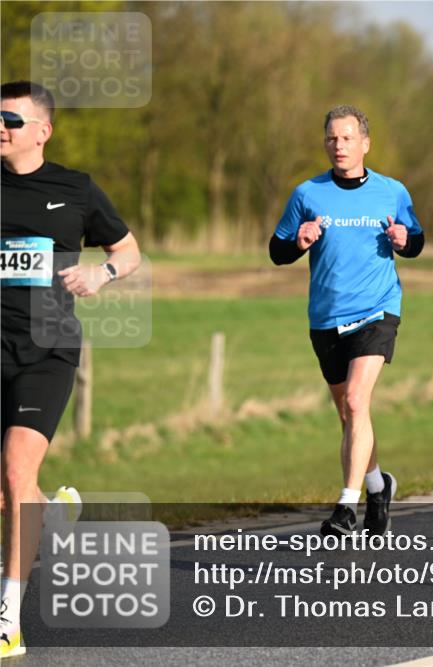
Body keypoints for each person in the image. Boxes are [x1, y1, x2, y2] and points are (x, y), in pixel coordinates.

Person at [1, 81, 142, 659]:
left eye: (9, 118)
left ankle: (7, 616)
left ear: (42, 130)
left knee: (14, 473)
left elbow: (127, 251)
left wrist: (101, 276)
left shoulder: (75, 189)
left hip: (47, 349)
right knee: (13, 492)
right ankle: (52, 512)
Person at [270, 104, 423, 538]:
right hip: (325, 317)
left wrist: (403, 239)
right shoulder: (307, 194)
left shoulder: (392, 191)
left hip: (377, 309)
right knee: (349, 415)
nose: (339, 145)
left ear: (365, 143)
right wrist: (299, 242)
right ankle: (378, 485)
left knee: (357, 401)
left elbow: (415, 240)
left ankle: (345, 508)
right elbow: (277, 250)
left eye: (348, 137)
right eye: (332, 139)